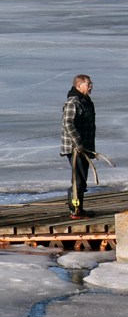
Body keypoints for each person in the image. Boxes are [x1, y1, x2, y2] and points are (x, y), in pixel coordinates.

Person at [61, 74, 96, 218]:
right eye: (88, 84)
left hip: (84, 147)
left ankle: (79, 209)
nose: (90, 86)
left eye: (90, 84)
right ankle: (75, 210)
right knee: (78, 181)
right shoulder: (73, 102)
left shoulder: (86, 101)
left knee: (82, 180)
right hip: (75, 148)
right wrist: (78, 143)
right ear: (79, 86)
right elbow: (68, 123)